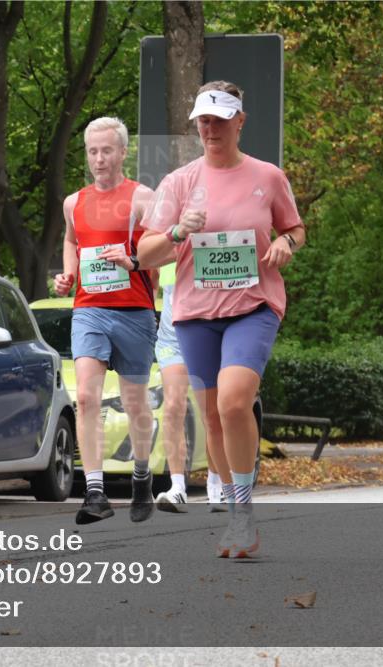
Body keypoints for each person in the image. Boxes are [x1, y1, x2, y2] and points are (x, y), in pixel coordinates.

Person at [138, 81, 305, 557]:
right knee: (212, 416)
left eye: (218, 119)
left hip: (253, 306)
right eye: (202, 121)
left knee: (234, 403)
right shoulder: (179, 182)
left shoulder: (267, 176)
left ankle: (245, 514)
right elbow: (146, 252)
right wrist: (176, 230)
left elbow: (295, 228)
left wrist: (284, 245)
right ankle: (236, 515)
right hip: (195, 312)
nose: (209, 128)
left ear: (239, 121)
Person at [54, 117, 158, 525]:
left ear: (122, 152)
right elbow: (71, 240)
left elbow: (160, 247)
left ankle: (141, 477)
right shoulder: (73, 202)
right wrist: (67, 274)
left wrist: (133, 260)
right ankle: (95, 492)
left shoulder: (142, 198)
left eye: (107, 150)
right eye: (93, 151)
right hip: (89, 309)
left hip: (134, 311)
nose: (99, 158)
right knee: (87, 398)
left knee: (135, 404)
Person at [152, 262, 228, 513]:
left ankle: (216, 487)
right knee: (173, 405)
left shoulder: (206, 234)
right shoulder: (168, 238)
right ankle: (177, 488)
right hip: (171, 336)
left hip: (205, 330)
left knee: (212, 413)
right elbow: (151, 274)